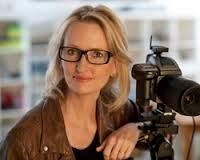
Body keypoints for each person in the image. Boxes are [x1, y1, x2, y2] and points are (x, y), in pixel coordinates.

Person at [0, 5, 143, 160]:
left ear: (115, 65)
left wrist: (137, 129)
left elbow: (167, 125)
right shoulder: (22, 141)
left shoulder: (120, 113)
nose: (81, 66)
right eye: (72, 51)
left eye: (96, 54)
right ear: (59, 59)